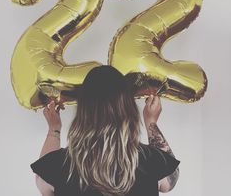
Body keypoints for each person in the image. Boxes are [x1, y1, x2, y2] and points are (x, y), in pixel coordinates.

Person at [30, 65, 180, 196]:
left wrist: (54, 130)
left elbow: (42, 181)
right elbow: (170, 181)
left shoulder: (59, 165)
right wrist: (151, 123)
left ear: (82, 111)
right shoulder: (149, 161)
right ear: (128, 109)